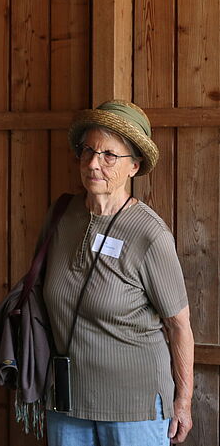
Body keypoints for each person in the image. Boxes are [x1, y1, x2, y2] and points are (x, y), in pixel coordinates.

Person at [40, 100, 193, 445]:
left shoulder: (149, 234)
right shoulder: (62, 216)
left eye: (110, 156)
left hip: (133, 408)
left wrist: (183, 402)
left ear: (134, 167)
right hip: (66, 400)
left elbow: (179, 325)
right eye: (88, 151)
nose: (94, 163)